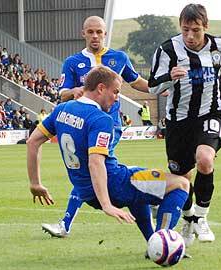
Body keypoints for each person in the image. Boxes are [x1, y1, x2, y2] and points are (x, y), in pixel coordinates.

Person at [27, 66, 189, 248]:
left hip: (86, 193)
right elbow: (95, 162)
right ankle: (163, 244)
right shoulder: (101, 119)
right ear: (101, 88)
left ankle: (152, 241)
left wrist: (35, 183)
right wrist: (107, 205)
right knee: (181, 184)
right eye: (116, 92)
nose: (117, 98)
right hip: (113, 185)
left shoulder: (62, 109)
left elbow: (33, 142)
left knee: (136, 186)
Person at [148, 3, 221, 246]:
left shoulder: (220, 45)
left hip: (211, 111)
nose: (190, 36)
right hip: (178, 121)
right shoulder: (167, 50)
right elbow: (153, 86)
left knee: (205, 159)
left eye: (196, 30)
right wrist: (168, 78)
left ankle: (201, 218)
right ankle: (189, 218)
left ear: (206, 27)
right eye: (185, 31)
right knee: (181, 177)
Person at [41, 15, 149, 238]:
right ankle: (146, 194)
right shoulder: (72, 62)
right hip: (82, 124)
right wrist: (74, 92)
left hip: (109, 126)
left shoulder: (119, 57)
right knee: (92, 169)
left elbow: (137, 81)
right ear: (83, 34)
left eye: (99, 32)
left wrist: (163, 87)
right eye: (90, 32)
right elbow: (62, 94)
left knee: (90, 168)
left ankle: (65, 224)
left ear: (105, 33)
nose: (95, 36)